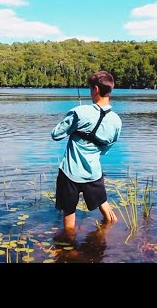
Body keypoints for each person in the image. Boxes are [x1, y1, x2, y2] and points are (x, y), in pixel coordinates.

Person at [51, 70, 122, 232]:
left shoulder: (79, 112)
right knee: (103, 203)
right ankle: (114, 233)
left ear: (96, 89)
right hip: (94, 172)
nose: (90, 92)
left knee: (69, 211)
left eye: (90, 89)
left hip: (70, 173)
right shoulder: (116, 120)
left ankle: (68, 247)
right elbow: (106, 148)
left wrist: (75, 118)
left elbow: (56, 134)